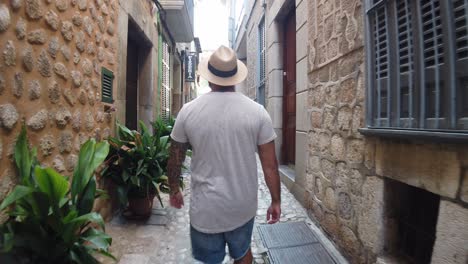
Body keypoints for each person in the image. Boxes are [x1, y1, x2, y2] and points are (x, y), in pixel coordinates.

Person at [167, 45, 281, 264]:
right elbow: (271, 166)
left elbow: (175, 157)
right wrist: (275, 201)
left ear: (209, 78)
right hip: (242, 207)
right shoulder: (257, 112)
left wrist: (174, 189)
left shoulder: (188, 111)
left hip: (205, 210)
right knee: (243, 252)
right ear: (235, 78)